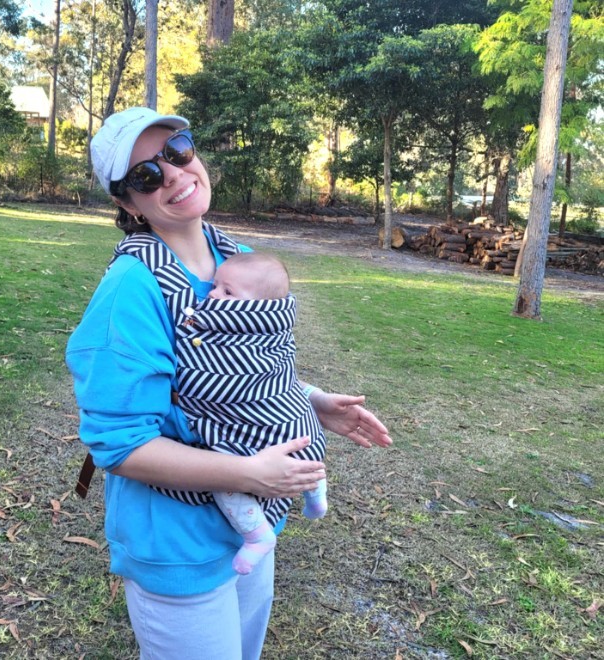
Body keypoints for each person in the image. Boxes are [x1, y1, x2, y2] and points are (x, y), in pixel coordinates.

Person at [66, 106, 392, 660]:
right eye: (146, 175)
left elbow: (248, 365)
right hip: (175, 539)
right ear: (128, 203)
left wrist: (311, 401)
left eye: (177, 151)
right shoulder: (131, 290)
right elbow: (119, 445)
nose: (173, 174)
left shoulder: (235, 258)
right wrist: (248, 473)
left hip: (246, 529)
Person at [175, 251, 328, 576]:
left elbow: (213, 380)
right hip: (302, 429)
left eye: (227, 292)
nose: (213, 296)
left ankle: (257, 535)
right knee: (305, 453)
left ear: (260, 307)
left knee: (224, 480)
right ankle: (316, 496)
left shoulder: (259, 332)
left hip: (267, 431)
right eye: (215, 286)